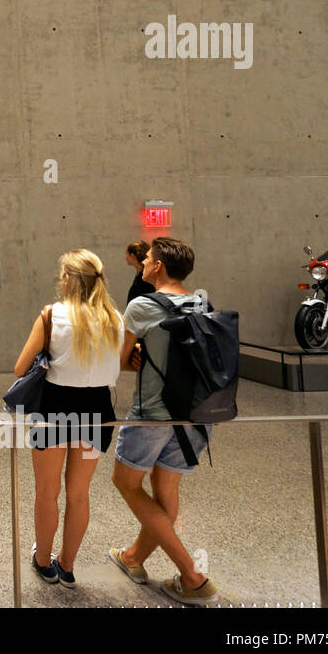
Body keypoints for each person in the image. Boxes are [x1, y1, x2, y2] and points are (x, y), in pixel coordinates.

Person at [109, 237, 220, 605]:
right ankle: (134, 558)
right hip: (196, 414)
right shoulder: (202, 302)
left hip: (153, 413)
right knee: (166, 489)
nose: (144, 263)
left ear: (157, 266)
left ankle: (192, 576)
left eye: (148, 259)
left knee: (126, 483)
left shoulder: (142, 305)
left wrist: (136, 353)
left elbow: (120, 362)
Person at [13, 250, 123, 588]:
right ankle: (68, 565)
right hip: (97, 412)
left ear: (66, 279)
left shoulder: (51, 315)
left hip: (55, 409)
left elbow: (20, 369)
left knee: (47, 491)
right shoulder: (114, 318)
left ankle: (44, 562)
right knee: (79, 493)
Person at [125, 240, 155, 305]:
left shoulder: (145, 277)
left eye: (127, 254)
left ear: (132, 256)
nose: (126, 257)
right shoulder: (140, 273)